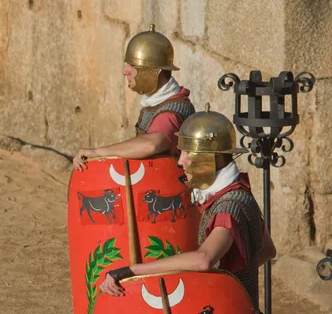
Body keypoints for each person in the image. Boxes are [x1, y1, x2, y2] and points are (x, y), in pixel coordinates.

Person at [99, 105, 277, 311]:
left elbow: (204, 259)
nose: (181, 161)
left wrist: (132, 270)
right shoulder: (240, 193)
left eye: (187, 152)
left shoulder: (228, 207)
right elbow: (266, 250)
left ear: (214, 157)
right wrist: (228, 280)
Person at [73, 24, 194, 171]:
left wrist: (97, 152)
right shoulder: (160, 102)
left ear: (151, 72)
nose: (125, 71)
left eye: (133, 65)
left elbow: (151, 145)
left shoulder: (169, 113)